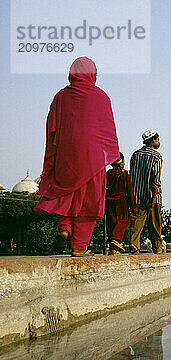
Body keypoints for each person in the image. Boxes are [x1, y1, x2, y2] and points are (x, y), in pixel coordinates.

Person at [35, 57, 119, 256]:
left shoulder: (61, 96)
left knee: (69, 193)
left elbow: (51, 129)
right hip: (93, 157)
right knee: (89, 199)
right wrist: (108, 155)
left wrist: (53, 159)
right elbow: (107, 130)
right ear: (93, 74)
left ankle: (64, 229)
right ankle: (79, 246)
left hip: (66, 154)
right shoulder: (101, 97)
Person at [129, 130, 163, 254]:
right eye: (158, 140)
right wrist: (153, 198)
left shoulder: (135, 155)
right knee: (155, 224)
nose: (159, 142)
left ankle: (134, 245)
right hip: (152, 196)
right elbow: (156, 180)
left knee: (136, 222)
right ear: (153, 140)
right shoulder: (156, 156)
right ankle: (157, 247)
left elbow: (132, 176)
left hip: (137, 195)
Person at [105, 153, 137, 255]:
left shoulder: (107, 175)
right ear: (121, 162)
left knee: (111, 223)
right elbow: (130, 192)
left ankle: (113, 249)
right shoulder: (124, 175)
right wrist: (133, 207)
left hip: (109, 203)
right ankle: (116, 240)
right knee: (123, 221)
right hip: (121, 203)